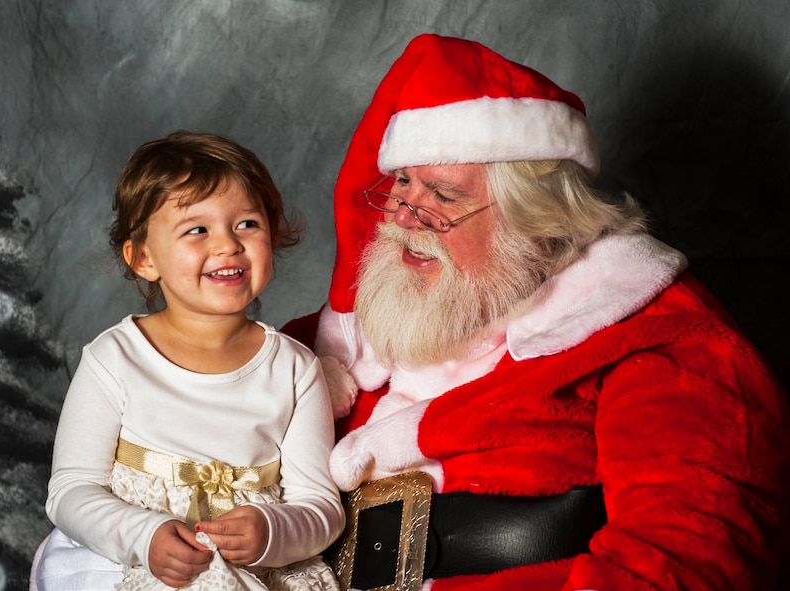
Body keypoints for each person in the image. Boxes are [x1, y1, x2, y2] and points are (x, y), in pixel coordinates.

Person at [279, 34, 790, 590]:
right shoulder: (321, 347)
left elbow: (685, 557)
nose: (404, 215)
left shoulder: (662, 342)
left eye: (443, 197)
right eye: (403, 182)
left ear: (539, 221)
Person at [30, 131, 345, 591]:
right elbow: (70, 492)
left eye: (247, 224)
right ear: (143, 258)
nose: (227, 245)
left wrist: (271, 532)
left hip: (256, 573)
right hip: (133, 561)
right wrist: (145, 534)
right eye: (197, 229)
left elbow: (320, 506)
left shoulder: (296, 370)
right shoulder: (114, 358)